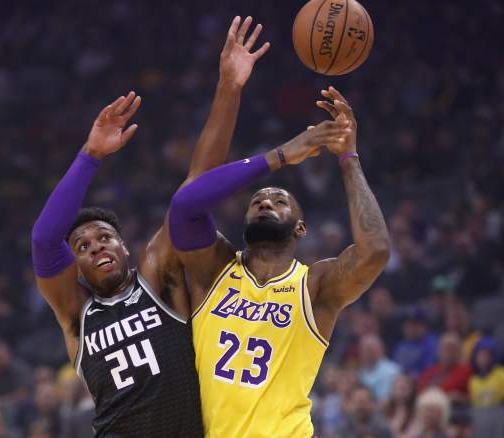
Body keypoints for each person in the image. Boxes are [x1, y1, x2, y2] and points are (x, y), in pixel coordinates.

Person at [30, 16, 269, 436]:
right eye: (82, 248)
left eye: (104, 238)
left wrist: (229, 88)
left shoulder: (158, 277)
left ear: (125, 246)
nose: (96, 247)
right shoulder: (75, 314)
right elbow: (44, 238)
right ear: (77, 269)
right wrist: (89, 155)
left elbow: (197, 187)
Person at [169, 86, 391, 437]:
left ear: (300, 228)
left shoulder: (315, 285)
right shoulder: (213, 270)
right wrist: (280, 156)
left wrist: (349, 158)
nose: (266, 202)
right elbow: (184, 207)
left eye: (279, 200)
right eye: (257, 200)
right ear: (243, 222)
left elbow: (375, 251)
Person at [417, 333, 472, 402]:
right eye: (445, 347)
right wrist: (445, 396)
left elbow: (471, 397)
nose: (448, 352)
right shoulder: (429, 371)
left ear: (459, 351)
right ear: (438, 350)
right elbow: (420, 393)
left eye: (452, 348)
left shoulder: (466, 371)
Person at [468, 337, 504, 408]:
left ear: (494, 356)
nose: (484, 358)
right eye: (481, 354)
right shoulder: (473, 380)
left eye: (487, 354)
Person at [358, 334, 402, 401]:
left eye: (370, 349)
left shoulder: (392, 371)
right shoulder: (361, 371)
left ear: (381, 349)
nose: (366, 353)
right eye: (363, 350)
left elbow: (388, 399)